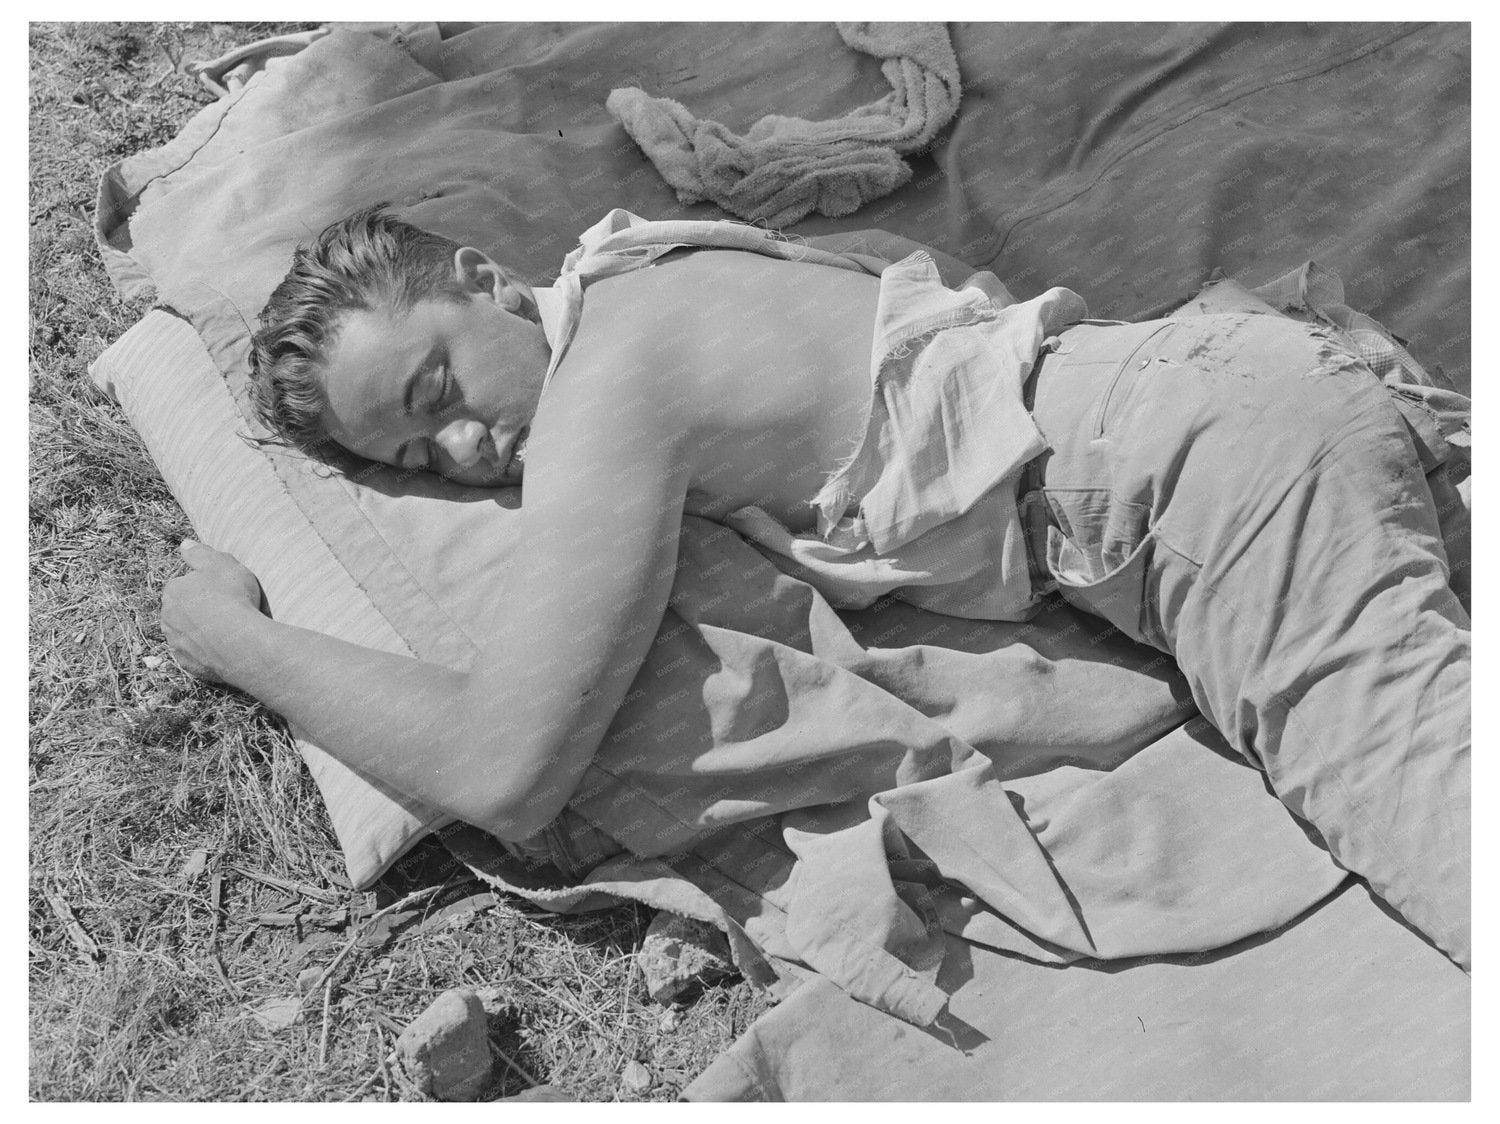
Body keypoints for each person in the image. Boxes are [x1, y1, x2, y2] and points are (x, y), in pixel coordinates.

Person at [162, 206, 1471, 970]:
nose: (461, 454)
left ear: (483, 283)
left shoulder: (607, 391)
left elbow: (503, 766)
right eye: (413, 459)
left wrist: (233, 637)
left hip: (1184, 482)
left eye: (438, 390)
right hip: (1245, 383)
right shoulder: (666, 259)